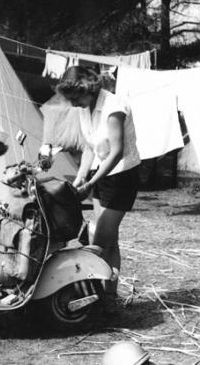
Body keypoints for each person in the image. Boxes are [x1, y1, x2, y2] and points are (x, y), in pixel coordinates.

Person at [55, 66, 141, 300]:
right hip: (101, 174)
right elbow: (89, 148)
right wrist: (81, 177)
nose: (73, 104)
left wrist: (91, 182)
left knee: (99, 242)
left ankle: (96, 296)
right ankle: (109, 295)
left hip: (122, 175)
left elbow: (117, 152)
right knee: (109, 239)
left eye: (75, 98)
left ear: (88, 89)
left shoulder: (114, 107)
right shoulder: (86, 107)